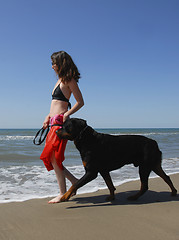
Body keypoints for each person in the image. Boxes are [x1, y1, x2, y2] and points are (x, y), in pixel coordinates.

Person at [40, 51, 84, 203]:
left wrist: (66, 114)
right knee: (53, 159)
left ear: (61, 63)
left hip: (60, 124)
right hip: (53, 123)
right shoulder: (59, 80)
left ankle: (62, 193)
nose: (52, 66)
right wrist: (48, 117)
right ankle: (74, 182)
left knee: (55, 159)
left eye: (54, 63)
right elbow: (56, 104)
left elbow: (80, 102)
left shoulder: (69, 80)